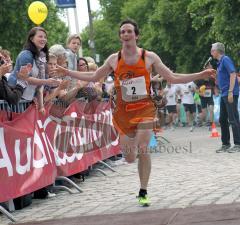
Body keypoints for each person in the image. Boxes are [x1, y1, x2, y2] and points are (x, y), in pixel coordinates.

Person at [53, 19, 215, 206]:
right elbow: (94, 76)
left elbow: (172, 77)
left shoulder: (149, 57)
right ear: (120, 36)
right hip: (123, 113)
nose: (126, 34)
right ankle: (134, 159)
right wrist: (67, 71)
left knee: (144, 148)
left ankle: (143, 190)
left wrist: (199, 75)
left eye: (129, 31)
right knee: (130, 157)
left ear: (136, 35)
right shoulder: (114, 59)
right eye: (122, 32)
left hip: (145, 108)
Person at [7, 27, 60, 112]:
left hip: (27, 98)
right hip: (16, 96)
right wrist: (47, 81)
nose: (43, 39)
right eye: (40, 36)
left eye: (45, 37)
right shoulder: (26, 55)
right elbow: (24, 78)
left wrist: (40, 105)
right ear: (31, 39)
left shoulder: (41, 57)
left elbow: (39, 85)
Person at [211, 42, 240, 153]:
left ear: (218, 51)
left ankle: (238, 144)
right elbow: (220, 82)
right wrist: (216, 77)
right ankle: (225, 144)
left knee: (233, 119)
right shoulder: (219, 63)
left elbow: (233, 74)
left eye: (212, 50)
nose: (211, 52)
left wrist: (231, 92)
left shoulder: (225, 59)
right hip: (224, 93)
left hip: (230, 93)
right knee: (223, 119)